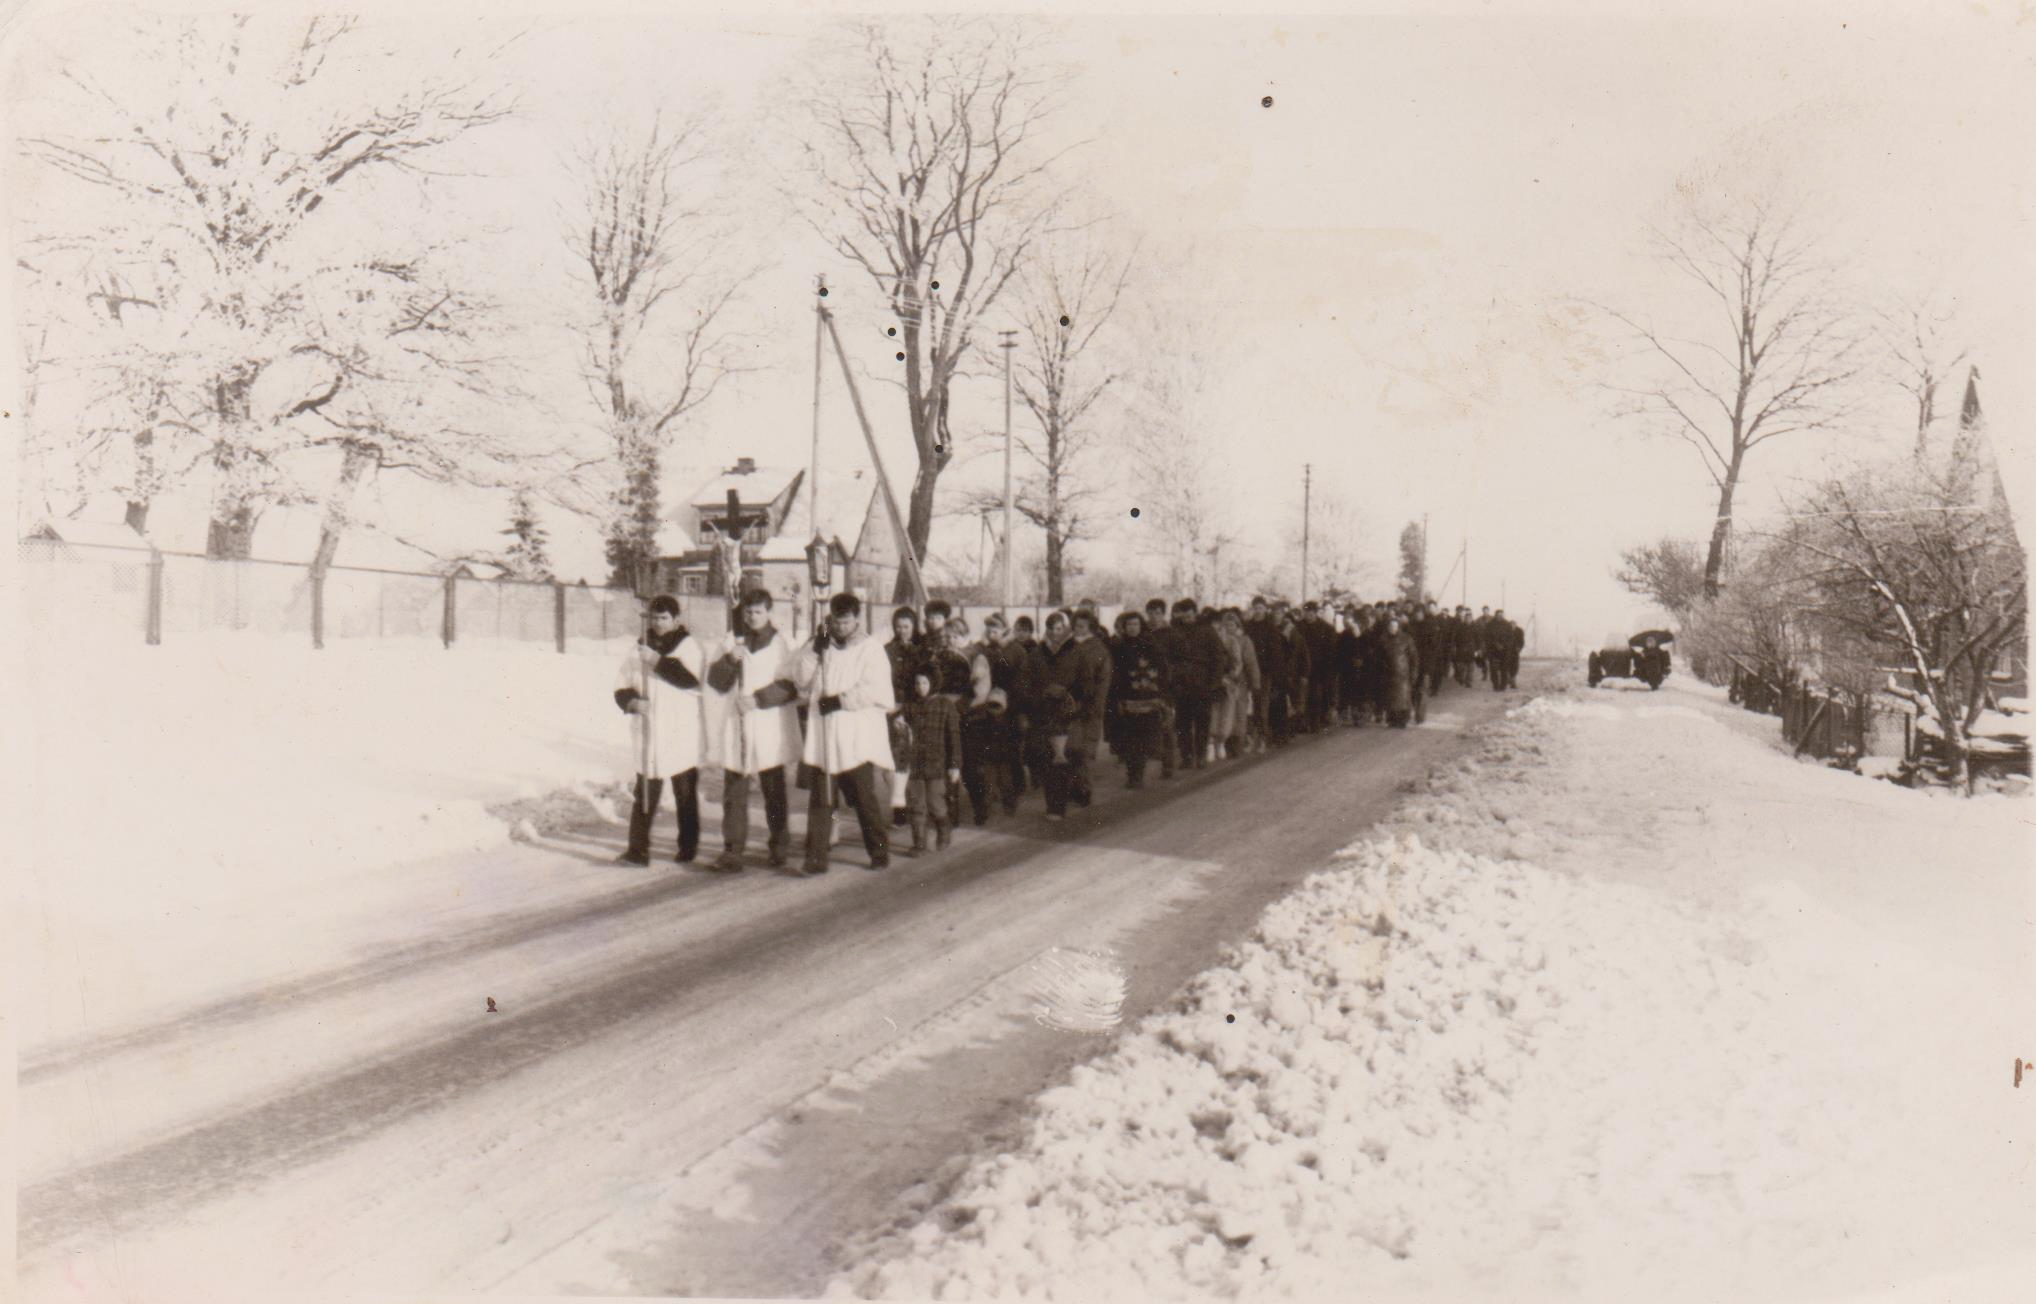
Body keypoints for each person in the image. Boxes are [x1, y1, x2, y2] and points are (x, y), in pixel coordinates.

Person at [796, 592, 896, 874]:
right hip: (824, 735)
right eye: (836, 622)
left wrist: (841, 700)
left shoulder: (870, 648)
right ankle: (815, 857)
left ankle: (878, 850)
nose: (841, 627)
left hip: (854, 736)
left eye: (846, 622)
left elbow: (875, 689)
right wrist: (815, 648)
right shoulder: (823, 643)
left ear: (856, 619)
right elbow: (801, 678)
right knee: (821, 798)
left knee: (863, 797)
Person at [704, 589, 802, 872]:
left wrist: (758, 699)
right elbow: (716, 681)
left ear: (769, 612)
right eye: (748, 612)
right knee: (734, 790)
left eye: (758, 611)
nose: (753, 617)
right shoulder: (732, 641)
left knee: (773, 789)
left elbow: (790, 686)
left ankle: (779, 845)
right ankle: (733, 850)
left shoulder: (782, 644)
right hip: (739, 726)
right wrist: (730, 660)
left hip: (768, 724)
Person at [613, 595, 706, 865]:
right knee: (645, 792)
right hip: (650, 731)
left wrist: (656, 661)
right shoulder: (640, 647)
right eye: (654, 618)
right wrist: (630, 701)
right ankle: (637, 849)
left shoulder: (688, 646)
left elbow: (689, 679)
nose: (658, 623)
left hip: (679, 731)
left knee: (684, 792)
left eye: (664, 618)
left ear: (676, 619)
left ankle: (688, 846)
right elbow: (621, 683)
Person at [899, 669, 962, 854]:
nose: (921, 688)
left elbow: (954, 737)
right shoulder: (910, 706)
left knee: (936, 803)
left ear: (933, 683)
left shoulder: (945, 705)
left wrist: (955, 765)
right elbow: (900, 731)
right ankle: (919, 843)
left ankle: (944, 831)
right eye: (917, 684)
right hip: (915, 763)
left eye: (925, 683)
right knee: (916, 804)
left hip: (938, 763)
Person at [1109, 610, 1170, 788]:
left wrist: (1161, 693)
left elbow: (1162, 670)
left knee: (1144, 738)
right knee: (1129, 739)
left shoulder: (1151, 645)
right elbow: (1115, 673)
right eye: (1128, 625)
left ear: (1141, 625)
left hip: (1148, 698)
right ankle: (1132, 775)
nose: (1132, 628)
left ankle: (1140, 773)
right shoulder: (1118, 647)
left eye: (1135, 624)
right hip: (1127, 698)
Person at [1381, 613, 1419, 728]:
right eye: (1390, 626)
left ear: (1398, 627)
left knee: (1403, 698)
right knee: (1390, 698)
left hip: (1403, 674)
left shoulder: (1406, 639)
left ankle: (1403, 720)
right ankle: (1391, 719)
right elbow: (1378, 657)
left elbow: (1414, 657)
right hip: (1388, 674)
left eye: (1394, 626)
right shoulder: (1383, 639)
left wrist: (1414, 673)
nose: (1392, 628)